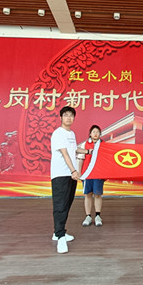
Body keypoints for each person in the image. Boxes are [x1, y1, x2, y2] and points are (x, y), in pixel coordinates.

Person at [50, 106, 89, 254]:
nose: (68, 118)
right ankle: (60, 238)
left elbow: (74, 149)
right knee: (60, 205)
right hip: (61, 174)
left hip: (71, 174)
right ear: (61, 118)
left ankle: (58, 232)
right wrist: (73, 170)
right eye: (66, 115)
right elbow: (65, 153)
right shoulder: (58, 133)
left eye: (71, 115)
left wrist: (89, 151)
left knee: (67, 204)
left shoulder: (71, 133)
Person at [80, 125, 105, 227]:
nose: (95, 133)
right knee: (88, 194)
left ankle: (98, 216)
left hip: (99, 174)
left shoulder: (104, 145)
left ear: (100, 134)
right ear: (90, 134)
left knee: (97, 194)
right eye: (93, 132)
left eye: (97, 132)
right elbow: (80, 158)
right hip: (87, 173)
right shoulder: (85, 144)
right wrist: (80, 173)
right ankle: (88, 216)